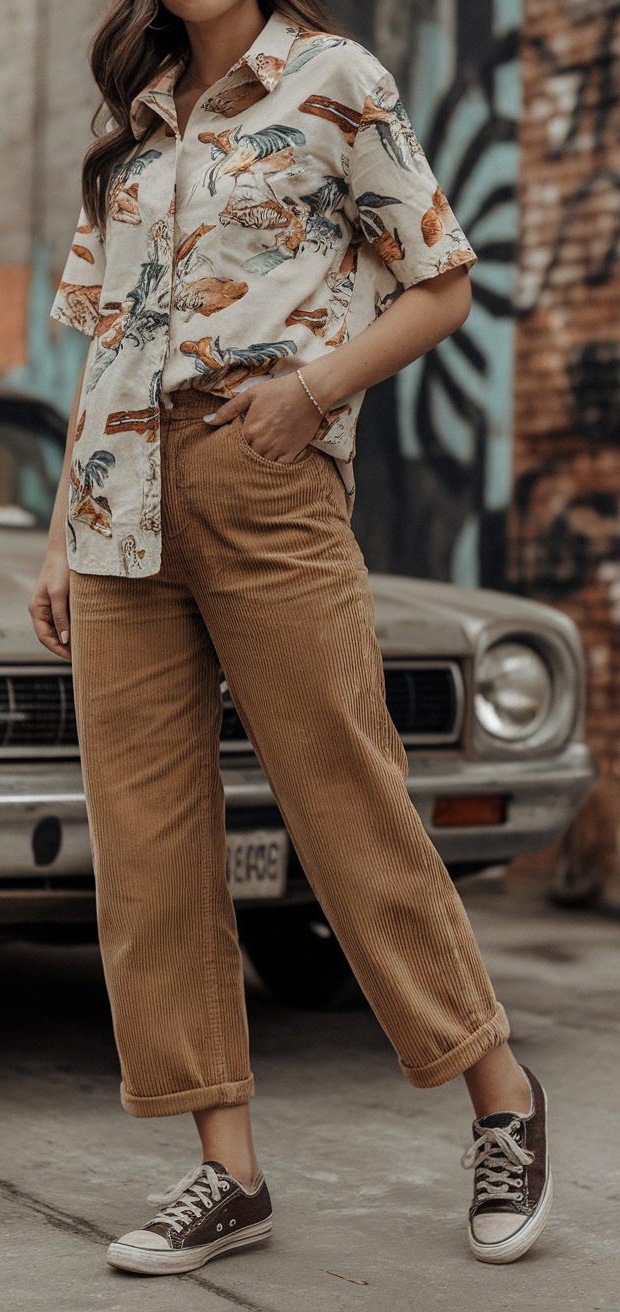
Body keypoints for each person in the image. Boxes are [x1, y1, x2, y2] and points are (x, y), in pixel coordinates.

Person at [29, 0, 552, 1275]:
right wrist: (59, 532)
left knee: (345, 800)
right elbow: (102, 346)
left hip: (266, 476)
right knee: (147, 846)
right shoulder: (136, 119)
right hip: (115, 510)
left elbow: (441, 286)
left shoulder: (334, 79)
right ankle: (228, 1170)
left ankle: (500, 1095)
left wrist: (310, 391)